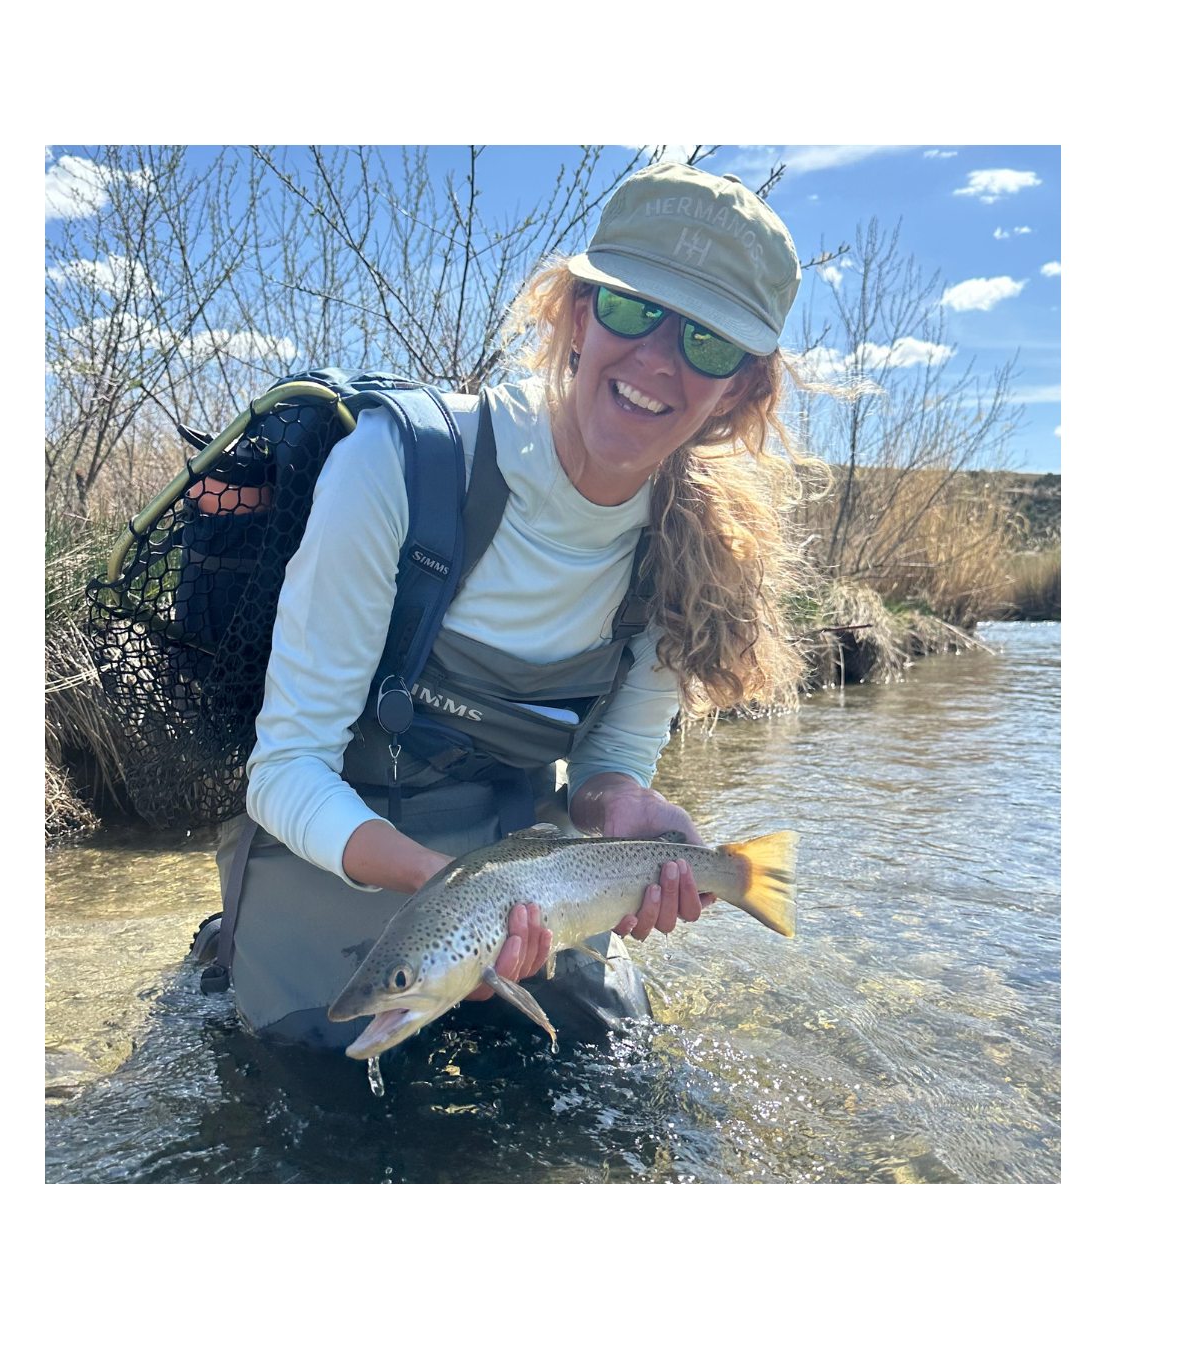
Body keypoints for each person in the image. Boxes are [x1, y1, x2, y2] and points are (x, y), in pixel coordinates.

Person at [214, 163, 811, 1051]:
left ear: (738, 391)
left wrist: (622, 810)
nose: (657, 358)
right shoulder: (399, 469)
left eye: (710, 343)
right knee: (311, 1073)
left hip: (519, 859)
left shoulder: (693, 557)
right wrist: (451, 899)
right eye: (632, 308)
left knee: (606, 1056)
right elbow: (286, 769)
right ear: (577, 315)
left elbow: (606, 764)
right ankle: (228, 944)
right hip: (336, 838)